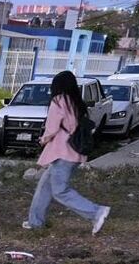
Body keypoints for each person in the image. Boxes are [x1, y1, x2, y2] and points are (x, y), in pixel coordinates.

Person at [25, 70, 110, 234]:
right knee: (44, 187)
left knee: (60, 191)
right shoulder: (76, 101)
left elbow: (52, 128)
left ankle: (96, 212)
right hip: (74, 153)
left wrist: (42, 140)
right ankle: (35, 222)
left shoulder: (58, 100)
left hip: (62, 153)